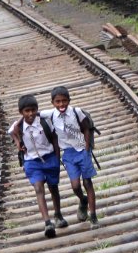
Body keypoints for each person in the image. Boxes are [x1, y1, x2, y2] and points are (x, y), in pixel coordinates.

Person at [9, 94, 67, 239]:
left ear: (37, 109)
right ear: (21, 112)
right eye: (27, 111)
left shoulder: (44, 122)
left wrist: (57, 156)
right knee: (38, 188)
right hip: (32, 162)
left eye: (33, 110)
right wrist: (18, 144)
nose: (30, 114)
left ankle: (58, 215)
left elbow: (54, 138)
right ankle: (47, 222)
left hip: (50, 158)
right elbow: (13, 134)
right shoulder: (17, 126)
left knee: (54, 188)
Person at [41, 85, 99, 227]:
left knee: (87, 183)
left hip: (81, 151)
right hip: (68, 153)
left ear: (69, 100)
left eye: (64, 101)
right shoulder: (50, 114)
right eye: (58, 102)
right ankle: (83, 200)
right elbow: (32, 114)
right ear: (53, 103)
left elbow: (86, 127)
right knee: (75, 186)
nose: (61, 104)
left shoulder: (76, 112)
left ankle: (93, 217)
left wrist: (86, 147)